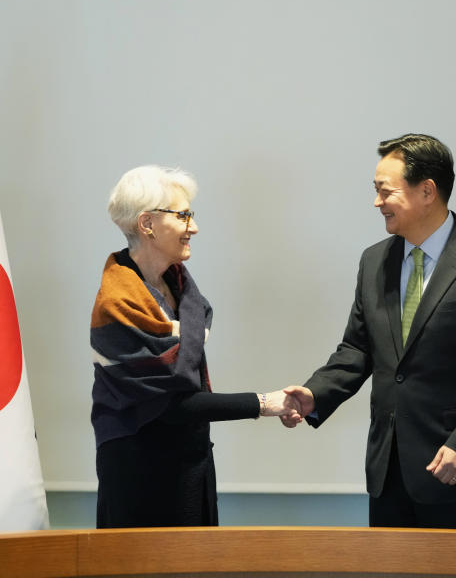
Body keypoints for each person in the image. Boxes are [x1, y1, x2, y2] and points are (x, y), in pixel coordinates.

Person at [283, 134, 456, 529]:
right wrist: (316, 393)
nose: (377, 202)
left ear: (427, 190)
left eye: (386, 191)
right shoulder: (374, 261)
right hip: (390, 468)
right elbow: (357, 348)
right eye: (376, 191)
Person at [91, 165, 301, 528]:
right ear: (147, 224)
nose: (194, 227)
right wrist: (265, 403)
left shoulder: (181, 290)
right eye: (184, 215)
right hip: (141, 477)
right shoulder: (117, 304)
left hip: (192, 465)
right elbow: (168, 404)